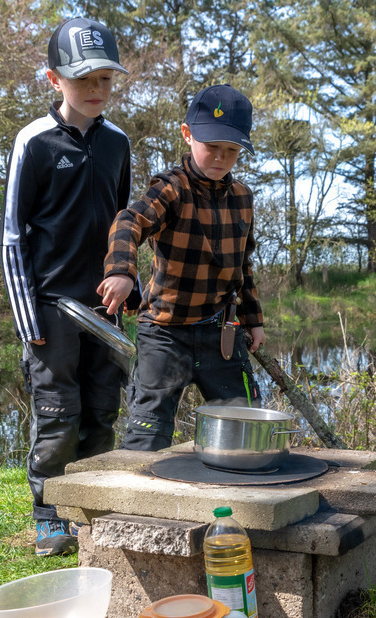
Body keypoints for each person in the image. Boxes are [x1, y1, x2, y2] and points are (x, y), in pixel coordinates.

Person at [0, 17, 134, 556]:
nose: (96, 89)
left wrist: (129, 285)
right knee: (58, 415)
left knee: (101, 412)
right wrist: (27, 317)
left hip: (104, 308)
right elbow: (13, 236)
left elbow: (123, 226)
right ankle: (50, 518)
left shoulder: (118, 143)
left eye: (105, 79)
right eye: (83, 79)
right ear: (54, 79)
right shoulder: (33, 141)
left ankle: (91, 513)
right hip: (51, 308)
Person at [98, 83, 265, 451]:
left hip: (221, 333)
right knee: (148, 431)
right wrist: (121, 272)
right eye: (212, 146)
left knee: (246, 427)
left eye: (231, 150)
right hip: (164, 333)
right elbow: (128, 222)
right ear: (188, 135)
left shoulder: (243, 198)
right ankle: (135, 485)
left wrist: (253, 320)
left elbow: (244, 265)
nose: (220, 158)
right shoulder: (170, 188)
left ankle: (236, 482)